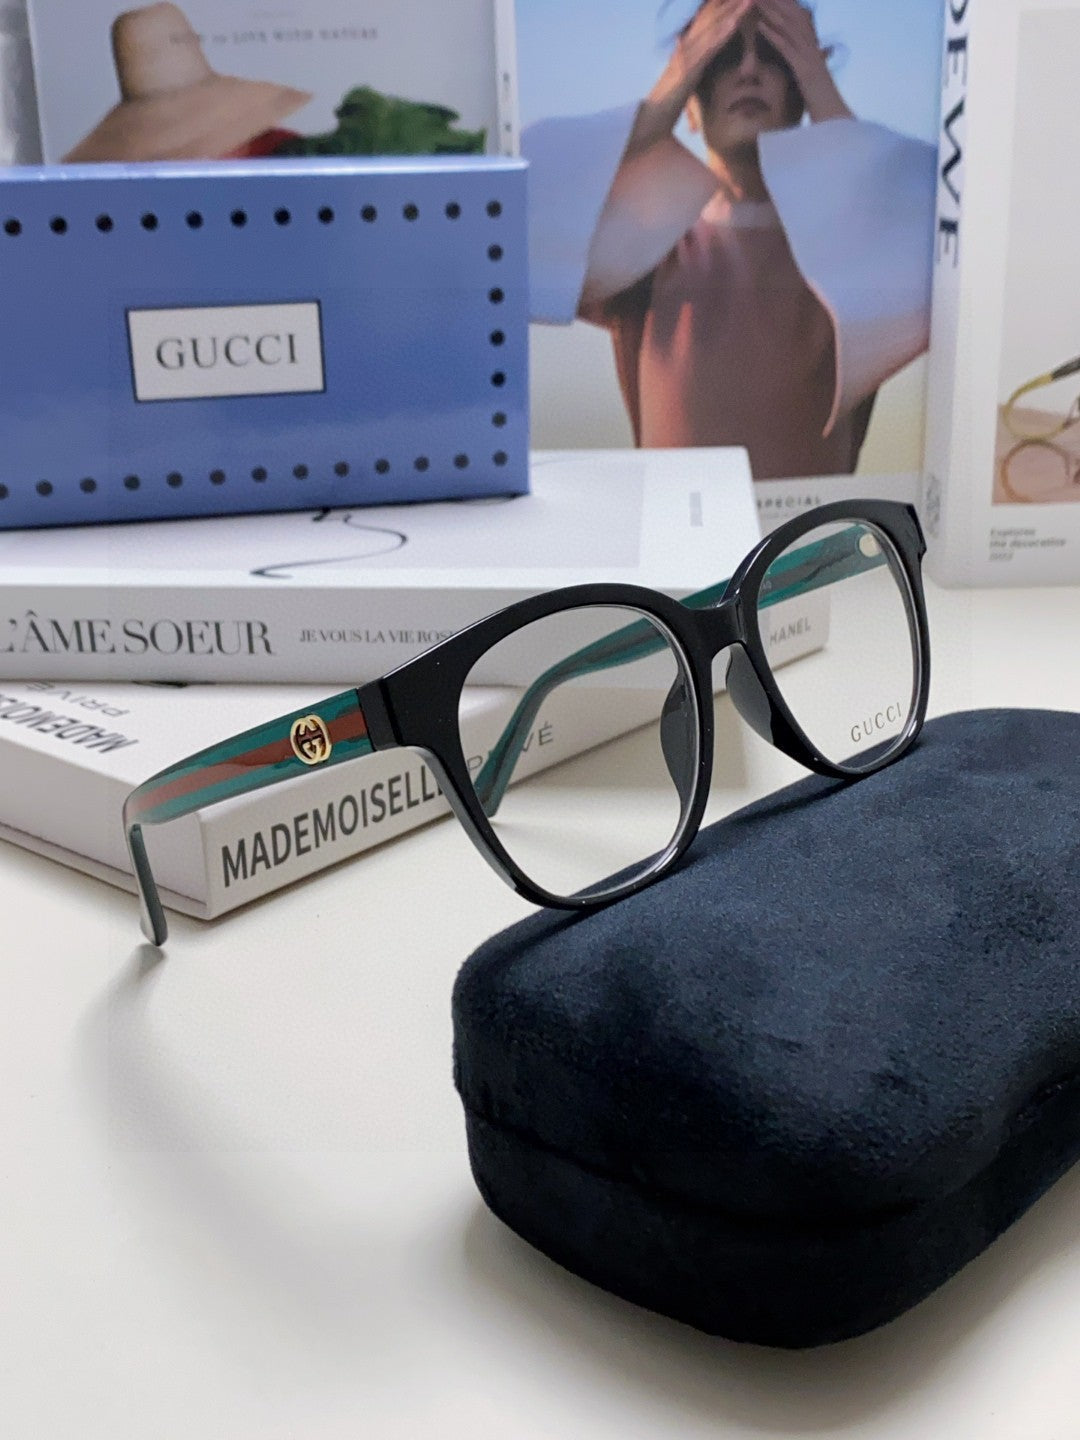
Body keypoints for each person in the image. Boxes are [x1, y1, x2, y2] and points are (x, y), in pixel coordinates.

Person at [523, 0, 936, 480]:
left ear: (800, 89)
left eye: (774, 53)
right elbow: (507, 219)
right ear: (690, 102)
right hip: (681, 527)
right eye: (721, 56)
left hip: (808, 530)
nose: (748, 70)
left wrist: (821, 88)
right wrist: (659, 105)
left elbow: (948, 226)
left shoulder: (846, 251)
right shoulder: (650, 249)